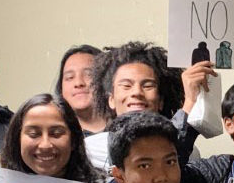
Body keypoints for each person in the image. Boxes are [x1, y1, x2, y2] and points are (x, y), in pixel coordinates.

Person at [84, 41, 219, 173]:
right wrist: (188, 106)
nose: (136, 92)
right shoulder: (91, 150)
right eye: (126, 86)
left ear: (160, 101)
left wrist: (191, 101)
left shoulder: (192, 153)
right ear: (111, 100)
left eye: (148, 85)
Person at [0, 93, 100, 183]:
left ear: (74, 140)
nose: (45, 145)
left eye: (56, 134)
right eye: (34, 134)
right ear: (17, 140)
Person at [54, 44, 106, 135]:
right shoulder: (55, 137)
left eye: (89, 75)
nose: (78, 83)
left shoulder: (128, 129)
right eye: (70, 77)